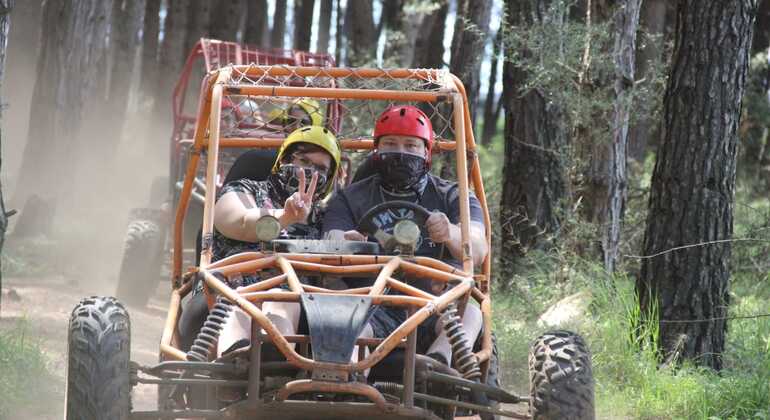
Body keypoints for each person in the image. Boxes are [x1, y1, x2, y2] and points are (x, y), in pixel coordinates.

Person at [322, 105, 488, 366]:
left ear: (426, 152)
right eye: (391, 144)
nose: (400, 153)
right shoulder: (350, 197)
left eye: (411, 145)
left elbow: (477, 250)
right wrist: (347, 242)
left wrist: (450, 234)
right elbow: (331, 239)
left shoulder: (454, 196)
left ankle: (439, 367)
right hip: (371, 305)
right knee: (350, 326)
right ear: (377, 151)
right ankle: (351, 381)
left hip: (437, 306)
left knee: (472, 315)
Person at [181, 125, 341, 356]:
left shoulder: (324, 218)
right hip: (226, 291)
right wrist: (285, 217)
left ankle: (269, 364)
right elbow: (240, 221)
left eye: (320, 169)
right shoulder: (245, 190)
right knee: (246, 304)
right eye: (303, 160)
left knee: (283, 302)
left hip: (291, 300)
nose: (308, 172)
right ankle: (236, 365)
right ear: (284, 159)